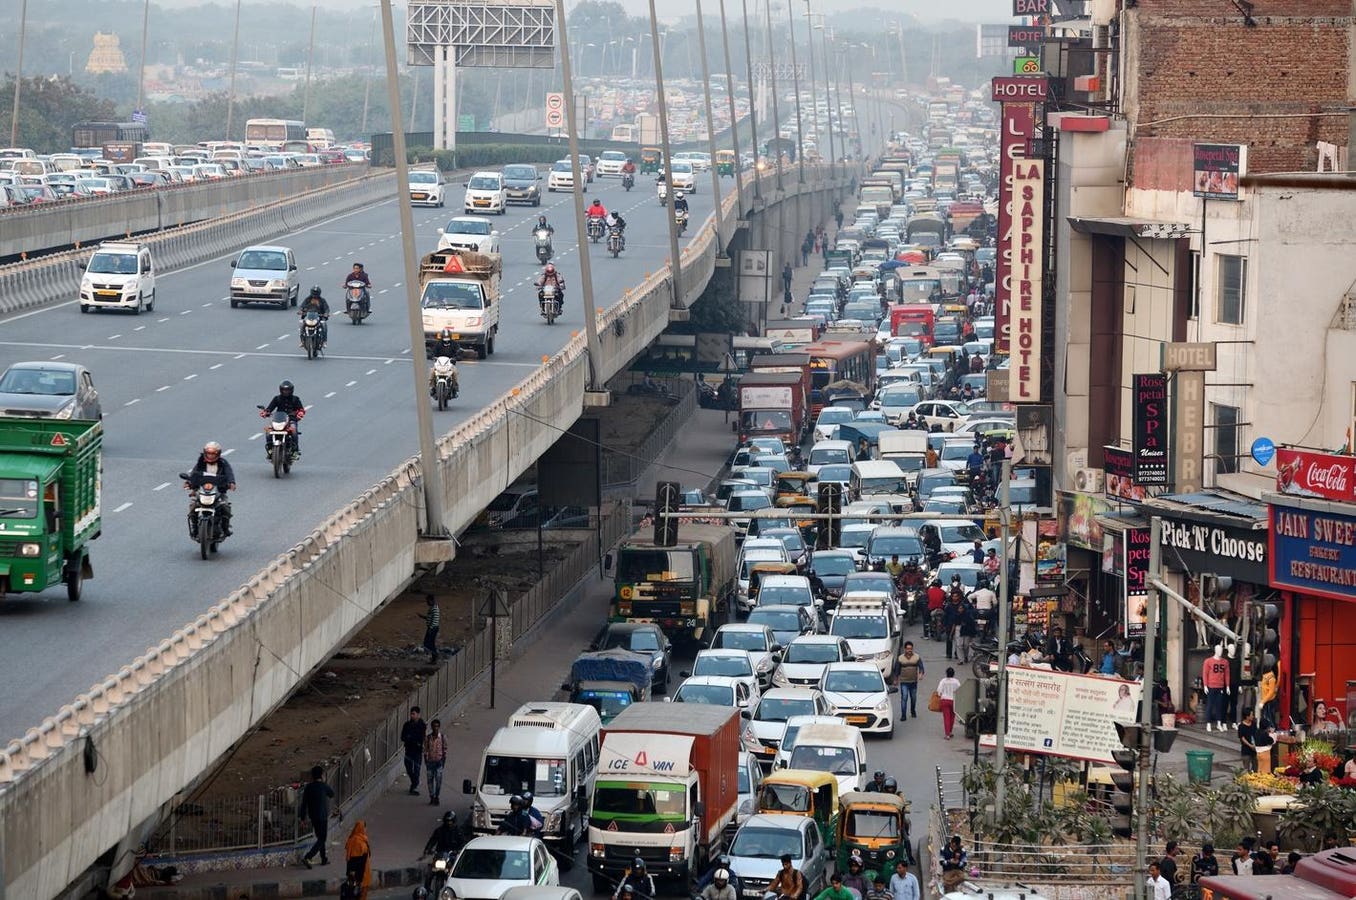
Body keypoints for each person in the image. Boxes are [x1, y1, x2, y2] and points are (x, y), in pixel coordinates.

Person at [185, 441, 236, 537]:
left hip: (218, 491)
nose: (211, 456)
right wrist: (189, 482)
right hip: (202, 490)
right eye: (209, 453)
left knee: (226, 507)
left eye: (213, 454)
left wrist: (231, 483)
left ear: (218, 454)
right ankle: (195, 528)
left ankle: (225, 529)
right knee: (193, 505)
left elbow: (229, 473)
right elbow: (194, 474)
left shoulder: (223, 463)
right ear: (205, 453)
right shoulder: (200, 462)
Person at [299, 765, 335, 868]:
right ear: (322, 775)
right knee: (322, 839)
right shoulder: (323, 786)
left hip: (313, 816)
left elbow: (304, 804)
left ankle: (324, 858)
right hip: (322, 816)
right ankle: (308, 856)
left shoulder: (309, 787)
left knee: (320, 838)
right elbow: (332, 794)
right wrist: (325, 782)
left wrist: (302, 818)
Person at [261, 380, 306, 455]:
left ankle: (295, 450)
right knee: (268, 432)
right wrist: (265, 412)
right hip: (278, 420)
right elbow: (269, 408)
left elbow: (301, 409)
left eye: (287, 390)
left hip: (291, 420)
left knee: (294, 431)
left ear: (291, 390)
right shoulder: (277, 398)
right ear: (281, 390)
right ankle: (270, 449)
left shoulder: (295, 399)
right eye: (284, 390)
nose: (286, 392)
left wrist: (300, 413)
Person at [401, 706, 427, 795]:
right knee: (408, 768)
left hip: (417, 751)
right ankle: (415, 782)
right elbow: (403, 737)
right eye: (411, 714)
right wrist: (410, 738)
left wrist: (411, 738)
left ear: (418, 715)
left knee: (416, 769)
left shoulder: (422, 725)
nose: (412, 716)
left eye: (414, 714)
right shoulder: (407, 725)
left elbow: (420, 737)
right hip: (408, 750)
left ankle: (414, 786)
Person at [897, 641, 925, 720]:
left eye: (911, 649)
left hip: (913, 682)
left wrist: (921, 674)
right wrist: (896, 679)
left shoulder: (917, 657)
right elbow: (897, 669)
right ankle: (903, 715)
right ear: (905, 649)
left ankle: (913, 711)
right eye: (908, 649)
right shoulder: (900, 658)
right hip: (904, 682)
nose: (909, 650)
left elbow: (921, 667)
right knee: (904, 697)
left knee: (913, 698)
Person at [345, 820, 372, 899]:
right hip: (361, 875)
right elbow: (360, 862)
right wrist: (359, 880)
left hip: (353, 874)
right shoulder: (359, 842)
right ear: (361, 828)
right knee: (360, 895)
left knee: (353, 894)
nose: (365, 829)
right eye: (365, 827)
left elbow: (349, 859)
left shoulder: (352, 839)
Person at [423, 718, 447, 805]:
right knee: (429, 781)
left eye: (437, 726)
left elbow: (445, 750)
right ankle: (432, 796)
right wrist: (426, 759)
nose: (435, 728)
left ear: (439, 727)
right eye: (434, 726)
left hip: (439, 762)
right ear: (432, 727)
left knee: (438, 781)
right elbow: (425, 749)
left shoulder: (443, 737)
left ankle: (437, 796)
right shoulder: (428, 738)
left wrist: (443, 761)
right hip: (430, 762)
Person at [937, 667, 962, 740]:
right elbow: (960, 690)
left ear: (946, 673)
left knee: (946, 718)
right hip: (953, 700)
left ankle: (947, 734)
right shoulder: (956, 681)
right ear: (953, 674)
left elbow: (939, 691)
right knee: (952, 717)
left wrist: (941, 695)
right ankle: (950, 731)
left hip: (944, 700)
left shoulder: (943, 681)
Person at [421, 594, 440, 665]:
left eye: (428, 601)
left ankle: (435, 655)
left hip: (432, 628)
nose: (427, 603)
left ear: (431, 600)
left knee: (427, 643)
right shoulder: (432, 608)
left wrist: (430, 629)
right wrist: (423, 617)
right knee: (430, 643)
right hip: (432, 628)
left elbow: (434, 620)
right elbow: (430, 618)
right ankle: (434, 658)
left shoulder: (434, 608)